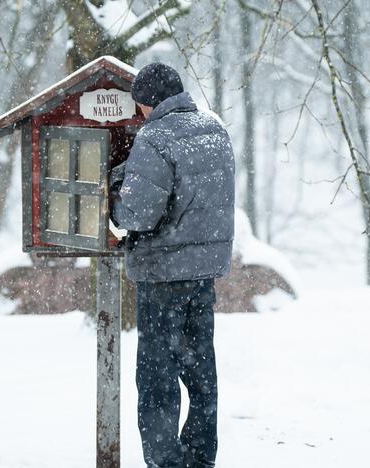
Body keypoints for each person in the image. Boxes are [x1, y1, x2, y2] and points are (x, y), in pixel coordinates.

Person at [110, 62, 235, 468]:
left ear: (149, 102)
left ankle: (166, 462)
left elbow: (138, 214)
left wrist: (113, 194)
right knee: (200, 373)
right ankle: (201, 458)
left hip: (163, 276)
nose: (140, 114)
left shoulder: (155, 137)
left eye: (140, 106)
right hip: (203, 273)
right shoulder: (214, 130)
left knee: (156, 380)